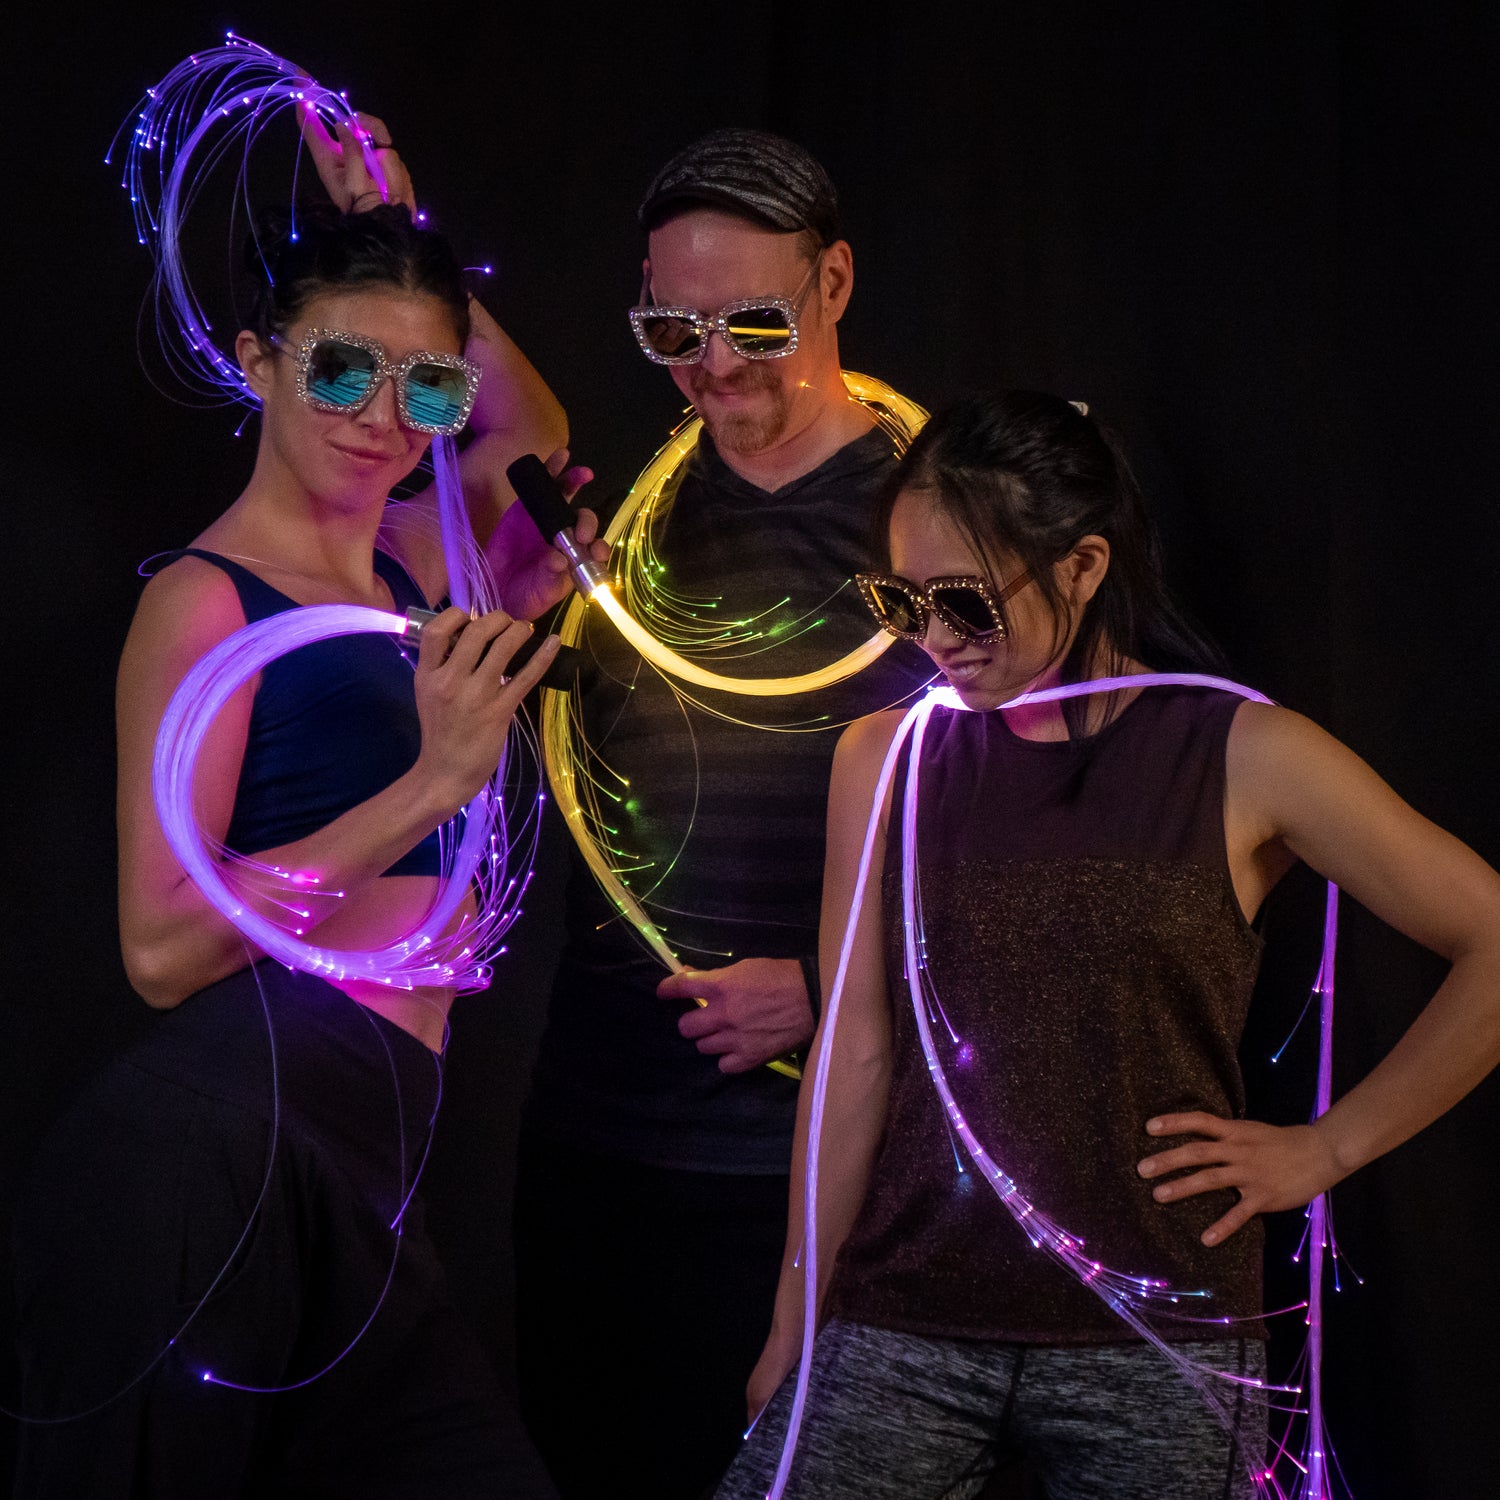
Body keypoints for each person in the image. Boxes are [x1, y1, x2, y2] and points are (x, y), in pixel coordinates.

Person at [717, 390, 1500, 1499]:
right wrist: (793, 1321)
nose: (933, 640)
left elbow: (1492, 940)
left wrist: (1325, 1150)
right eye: (902, 600)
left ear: (1082, 569)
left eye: (967, 605)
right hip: (906, 1318)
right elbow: (855, 1055)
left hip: (1161, 1341)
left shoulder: (1242, 751)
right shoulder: (885, 759)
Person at [10, 103, 603, 1499]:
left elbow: (540, 422)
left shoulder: (413, 556)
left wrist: (404, 217)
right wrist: (435, 784)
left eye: (425, 388)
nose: (385, 420)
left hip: (371, 1136)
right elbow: (161, 953)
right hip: (223, 1134)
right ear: (257, 360)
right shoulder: (205, 601)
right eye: (342, 371)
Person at [512, 129, 931, 1497]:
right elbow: (492, 421)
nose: (715, 364)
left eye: (754, 319)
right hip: (599, 1150)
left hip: (820, 1167)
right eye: (671, 327)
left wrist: (822, 989)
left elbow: (1051, 828)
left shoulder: (941, 530)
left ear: (837, 285)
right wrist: (395, 216)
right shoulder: (620, 535)